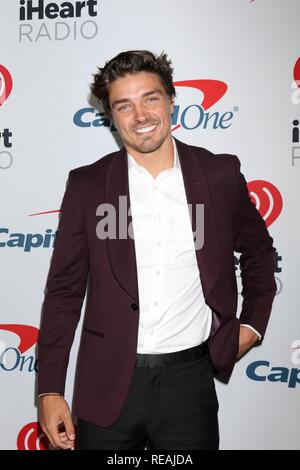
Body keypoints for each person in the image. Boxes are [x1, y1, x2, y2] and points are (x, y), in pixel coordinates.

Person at [38, 50, 276, 450]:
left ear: (170, 100)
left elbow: (259, 252)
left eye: (150, 98)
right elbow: (63, 293)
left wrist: (251, 326)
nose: (141, 116)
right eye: (124, 106)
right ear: (111, 117)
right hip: (105, 385)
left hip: (189, 384)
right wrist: (49, 390)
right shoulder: (88, 187)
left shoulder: (217, 175)